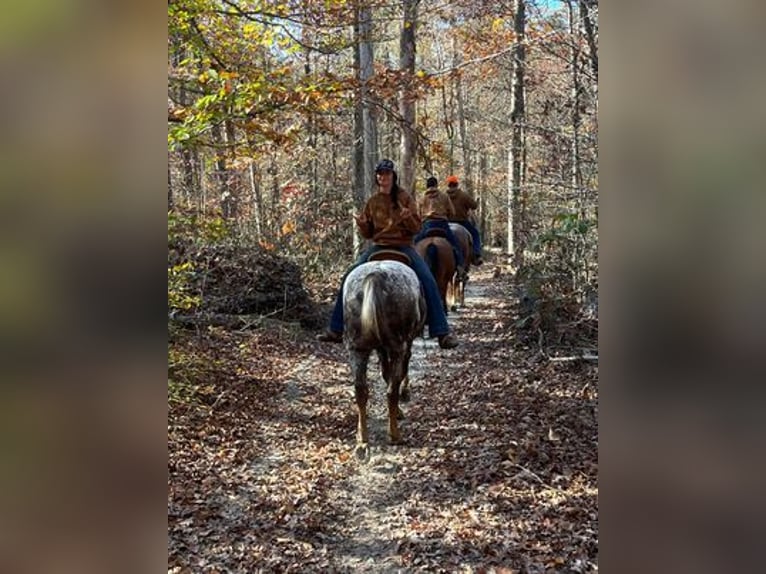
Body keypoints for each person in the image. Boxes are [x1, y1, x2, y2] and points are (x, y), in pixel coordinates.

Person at [317, 159, 459, 349]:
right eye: (380, 174)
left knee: (428, 280)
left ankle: (442, 332)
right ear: (377, 177)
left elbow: (417, 228)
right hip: (378, 246)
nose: (383, 177)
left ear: (393, 176)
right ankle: (336, 328)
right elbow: (368, 234)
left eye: (387, 174)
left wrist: (408, 218)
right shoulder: (373, 201)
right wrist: (362, 224)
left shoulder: (405, 197)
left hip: (403, 247)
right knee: (348, 276)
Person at [413, 176, 466, 277]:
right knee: (455, 244)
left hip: (427, 225)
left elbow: (418, 216)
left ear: (427, 186)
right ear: (436, 185)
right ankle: (460, 268)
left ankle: (410, 267)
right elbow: (452, 212)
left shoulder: (421, 198)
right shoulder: (444, 196)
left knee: (413, 244)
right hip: (442, 224)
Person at [445, 175, 484, 265]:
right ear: (457, 184)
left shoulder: (444, 196)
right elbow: (474, 206)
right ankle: (476, 254)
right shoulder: (463, 195)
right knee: (475, 234)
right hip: (462, 222)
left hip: (447, 222)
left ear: (448, 185)